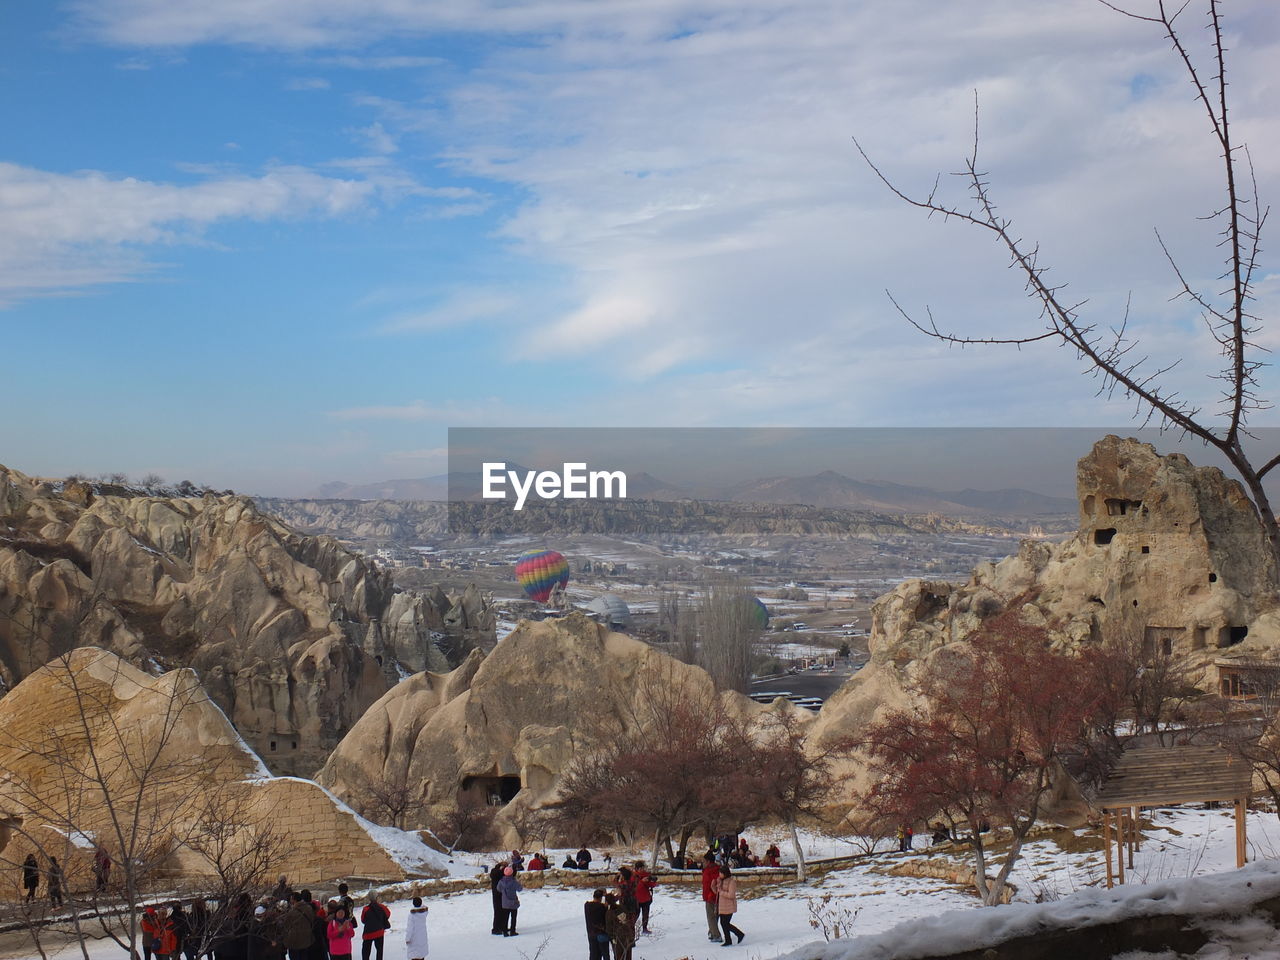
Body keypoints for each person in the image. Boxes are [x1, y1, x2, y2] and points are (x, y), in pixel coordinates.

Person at [711, 864, 744, 947]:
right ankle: (728, 940)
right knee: (723, 923)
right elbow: (717, 893)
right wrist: (713, 887)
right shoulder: (720, 881)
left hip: (729, 906)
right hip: (721, 906)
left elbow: (731, 895)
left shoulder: (731, 882)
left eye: (721, 873)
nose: (719, 875)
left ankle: (739, 934)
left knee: (725, 923)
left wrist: (721, 891)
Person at [281, 892, 314, 960]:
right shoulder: (309, 908)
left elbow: (286, 925)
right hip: (306, 939)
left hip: (295, 942)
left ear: (294, 900)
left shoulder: (291, 913)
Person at [359, 895, 391, 960]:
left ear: (369, 899)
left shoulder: (365, 909)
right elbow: (388, 914)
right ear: (377, 898)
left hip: (368, 933)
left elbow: (363, 920)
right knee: (379, 951)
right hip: (379, 932)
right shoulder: (382, 907)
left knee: (366, 952)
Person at [604, 892, 634, 960]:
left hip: (618, 938)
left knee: (619, 956)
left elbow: (609, 929)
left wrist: (612, 938)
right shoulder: (622, 907)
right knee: (628, 955)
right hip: (627, 935)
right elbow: (627, 919)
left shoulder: (609, 913)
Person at [700, 852, 722, 943]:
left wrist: (706, 896)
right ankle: (712, 932)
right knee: (715, 915)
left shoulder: (707, 872)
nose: (703, 863)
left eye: (704, 861)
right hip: (718, 895)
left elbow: (706, 885)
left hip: (710, 896)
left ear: (708, 861)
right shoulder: (718, 869)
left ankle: (716, 935)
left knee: (711, 916)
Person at [633, 861, 657, 935]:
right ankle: (631, 927)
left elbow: (652, 885)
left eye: (643, 867)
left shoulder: (647, 875)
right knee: (636, 914)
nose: (642, 869)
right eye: (641, 868)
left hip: (646, 898)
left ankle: (645, 928)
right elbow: (635, 887)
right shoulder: (633, 876)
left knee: (645, 914)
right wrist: (642, 881)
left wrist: (652, 881)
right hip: (637, 898)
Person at [584, 888, 609, 960]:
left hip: (591, 934)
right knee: (605, 955)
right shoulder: (602, 907)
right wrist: (607, 896)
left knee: (593, 955)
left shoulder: (587, 906)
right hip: (601, 934)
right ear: (601, 898)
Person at [498, 866, 523, 936]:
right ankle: (512, 931)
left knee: (505, 917)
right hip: (513, 902)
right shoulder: (514, 882)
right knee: (513, 917)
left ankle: (505, 931)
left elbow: (498, 889)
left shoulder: (501, 881)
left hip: (505, 902)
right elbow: (520, 889)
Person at [488, 861, 507, 935]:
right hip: (497, 894)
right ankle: (496, 928)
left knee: (501, 911)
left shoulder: (495, 872)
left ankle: (501, 927)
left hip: (499, 894)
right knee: (498, 911)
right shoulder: (497, 873)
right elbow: (500, 873)